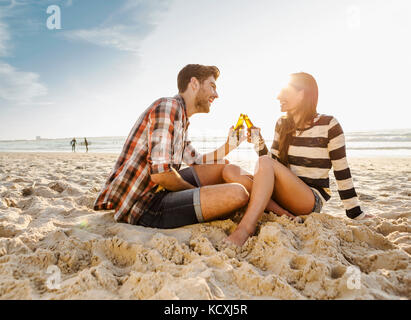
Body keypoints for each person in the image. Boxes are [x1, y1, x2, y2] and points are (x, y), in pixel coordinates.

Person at [222, 72, 372, 247]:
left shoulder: (329, 125)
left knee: (263, 164)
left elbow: (342, 170)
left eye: (285, 91)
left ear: (302, 95)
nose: (278, 96)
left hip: (309, 199)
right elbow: (273, 163)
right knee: (230, 170)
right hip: (283, 195)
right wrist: (258, 141)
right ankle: (285, 214)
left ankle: (245, 229)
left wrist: (355, 212)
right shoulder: (282, 124)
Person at [94, 64, 249, 228]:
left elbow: (197, 160)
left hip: (160, 190)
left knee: (222, 165)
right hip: (144, 205)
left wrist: (229, 145)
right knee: (238, 194)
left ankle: (262, 196)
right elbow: (161, 175)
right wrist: (193, 191)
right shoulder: (168, 107)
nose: (216, 94)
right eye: (212, 86)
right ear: (194, 83)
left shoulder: (180, 117)